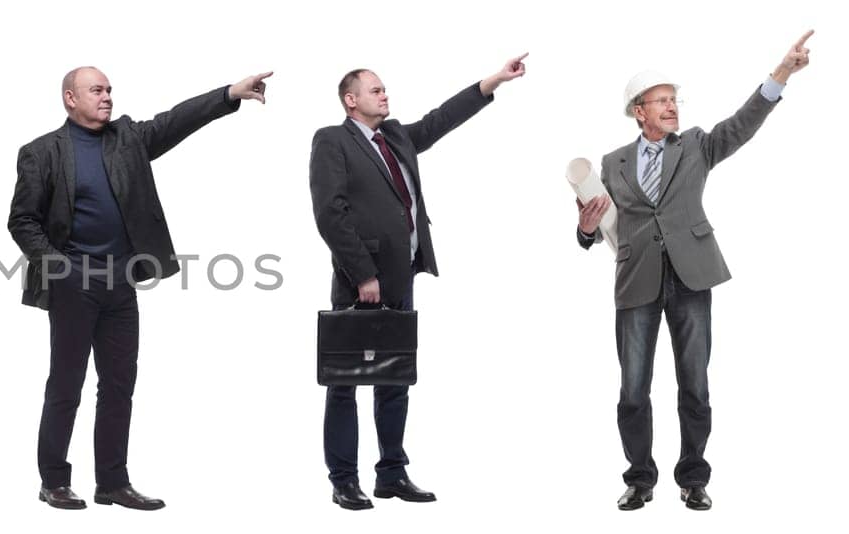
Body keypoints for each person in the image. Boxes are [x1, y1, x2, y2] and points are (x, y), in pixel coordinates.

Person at [8, 63, 274, 511]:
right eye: (96, 90)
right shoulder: (42, 152)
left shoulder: (127, 138)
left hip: (121, 284)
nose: (107, 96)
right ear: (70, 99)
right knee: (66, 385)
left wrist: (230, 93)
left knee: (118, 385)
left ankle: (112, 481)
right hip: (73, 285)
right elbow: (22, 220)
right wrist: (61, 268)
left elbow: (176, 120)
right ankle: (53, 480)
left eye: (110, 89)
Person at [575, 31, 813, 512]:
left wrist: (781, 73)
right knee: (633, 391)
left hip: (691, 277)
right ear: (638, 111)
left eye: (673, 100)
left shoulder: (698, 146)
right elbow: (597, 228)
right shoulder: (611, 162)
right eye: (660, 101)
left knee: (695, 385)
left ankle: (693, 477)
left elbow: (743, 124)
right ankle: (640, 478)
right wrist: (583, 229)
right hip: (635, 280)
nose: (671, 107)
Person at [309, 55, 526, 510]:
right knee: (344, 382)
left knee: (395, 379)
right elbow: (330, 213)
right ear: (351, 101)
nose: (385, 94)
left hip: (402, 275)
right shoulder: (332, 141)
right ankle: (344, 479)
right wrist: (362, 273)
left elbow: (441, 120)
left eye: (384, 89)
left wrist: (493, 82)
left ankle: (391, 473)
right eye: (375, 90)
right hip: (360, 282)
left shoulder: (396, 137)